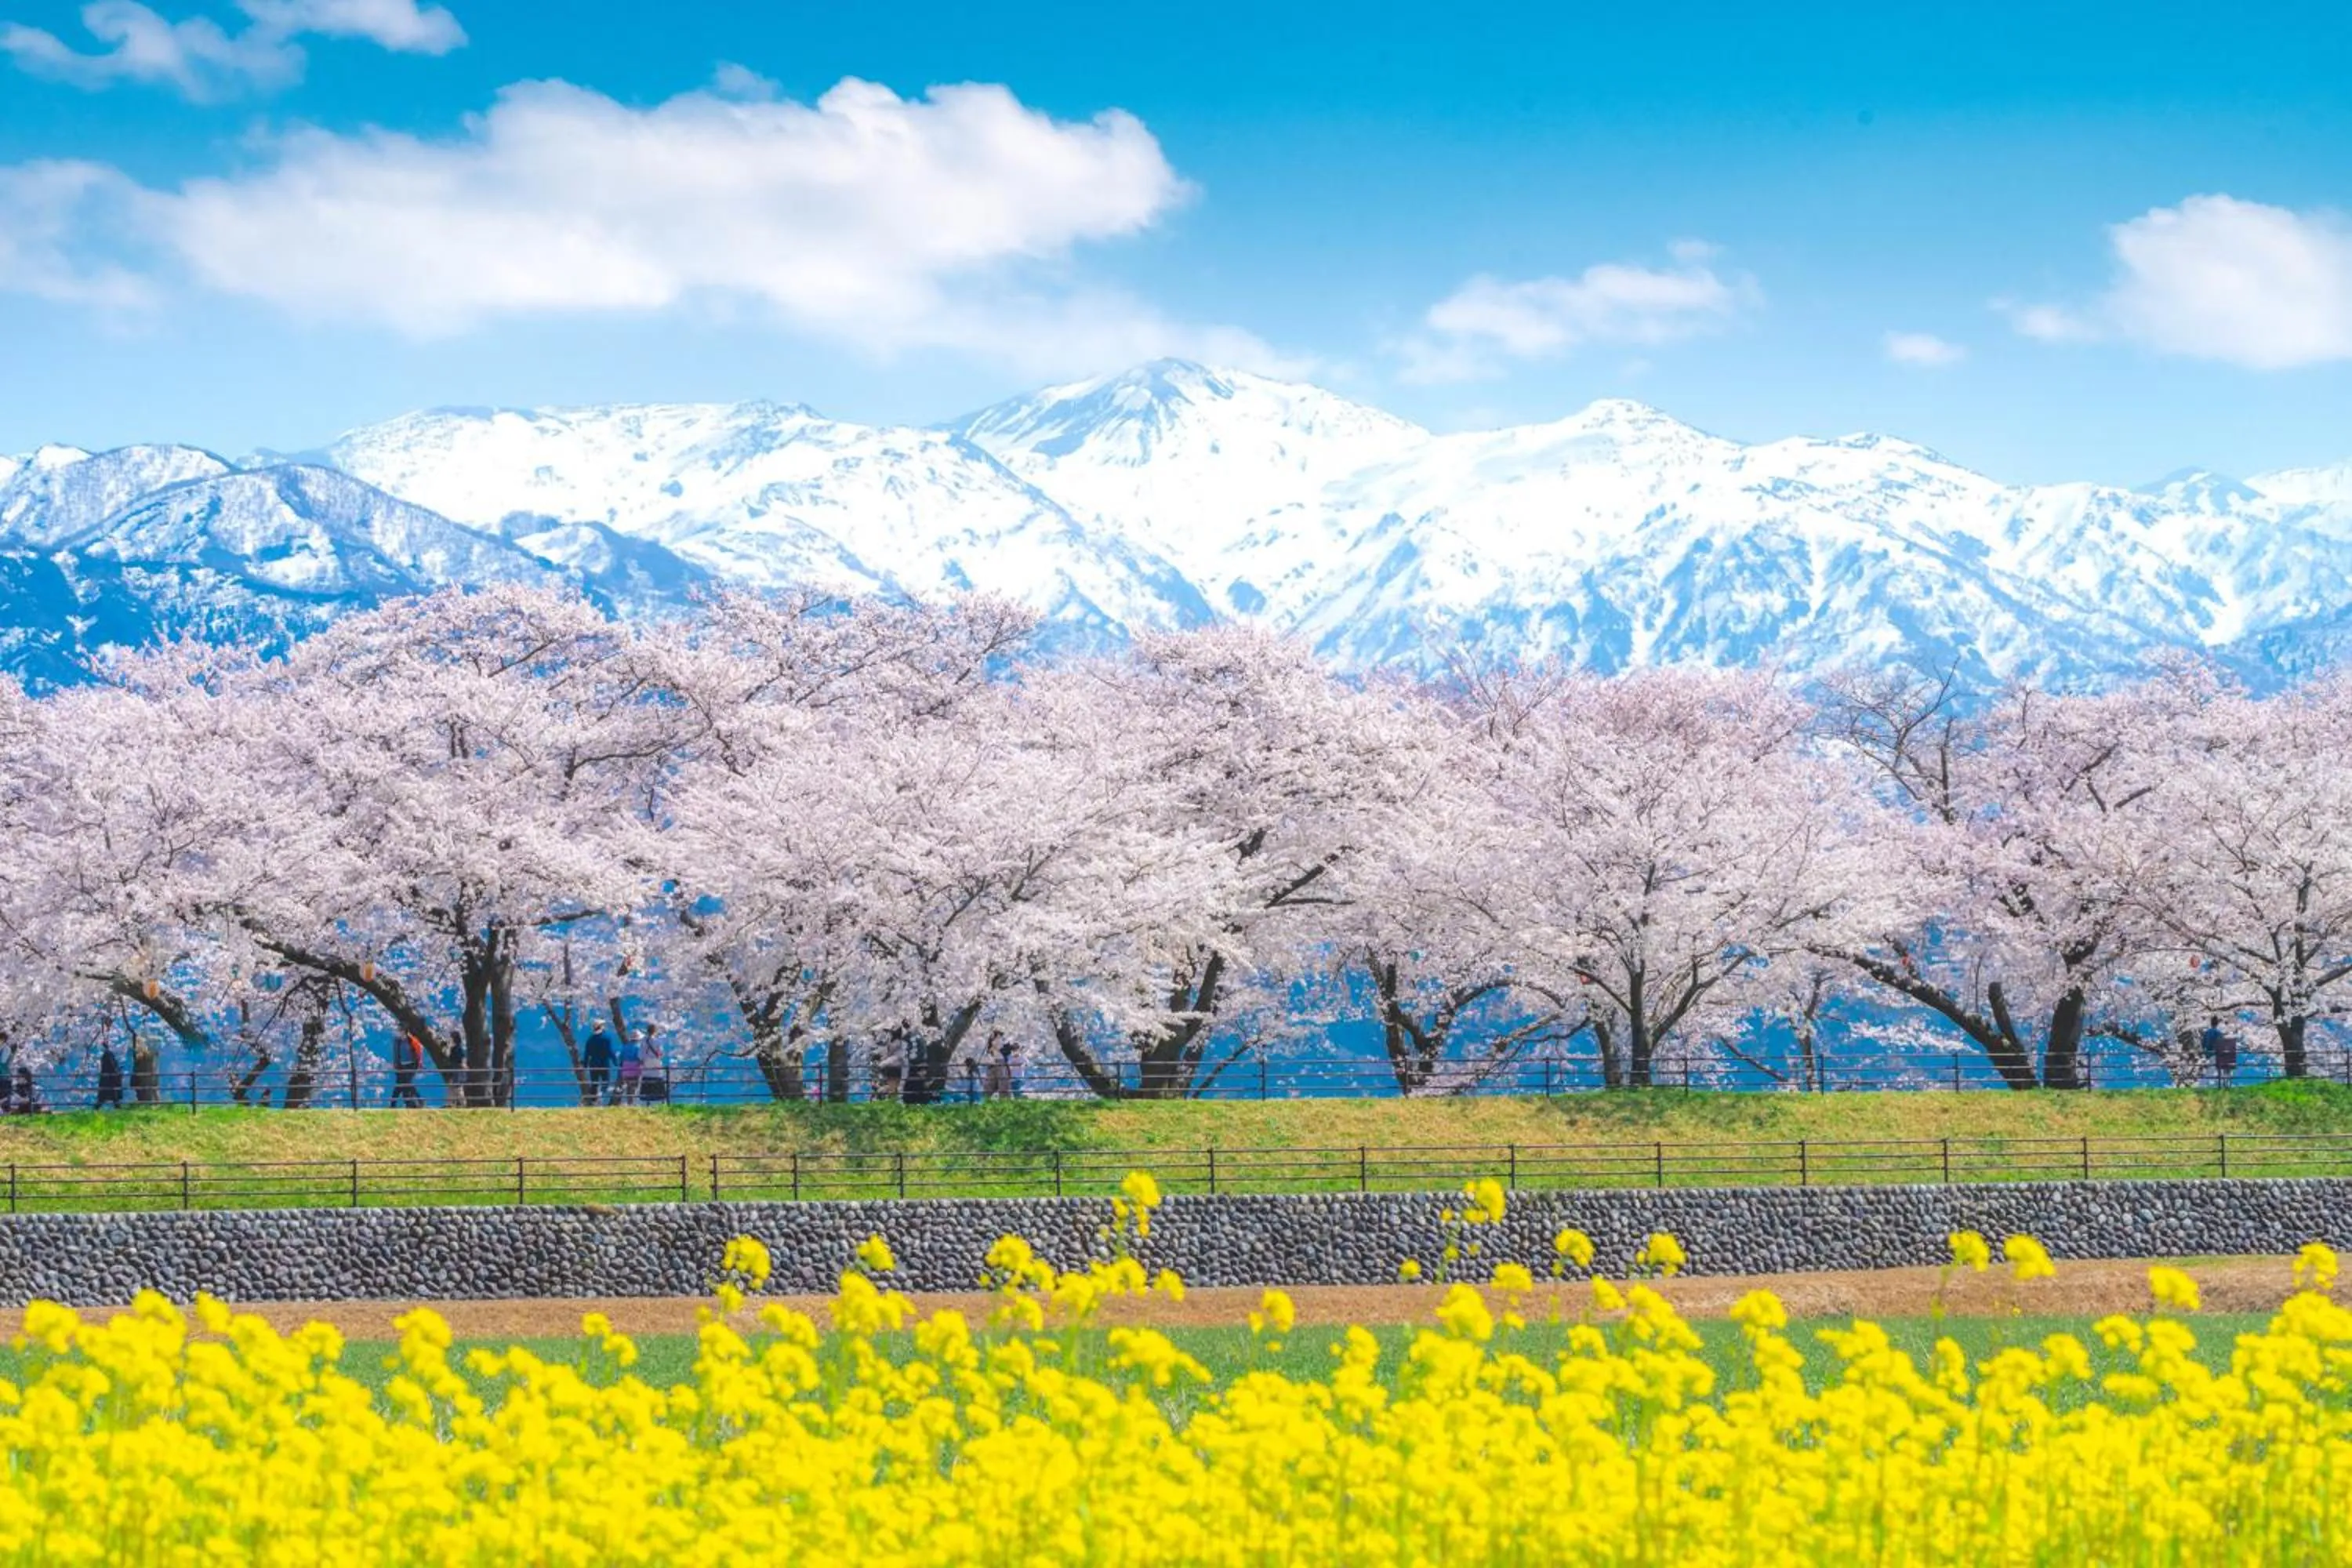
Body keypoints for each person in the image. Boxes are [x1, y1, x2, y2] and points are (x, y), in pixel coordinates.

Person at [582, 1022, 615, 1105]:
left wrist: (585, 1065)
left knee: (594, 1083)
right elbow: (610, 1051)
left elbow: (587, 1054)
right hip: (604, 1063)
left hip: (593, 1063)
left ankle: (593, 1101)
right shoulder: (607, 1038)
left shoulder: (590, 1039)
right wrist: (615, 1061)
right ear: (602, 1027)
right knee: (606, 1082)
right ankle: (602, 1096)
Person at [636, 1025, 669, 1105]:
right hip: (656, 1063)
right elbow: (661, 1053)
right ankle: (662, 1100)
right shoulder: (657, 1041)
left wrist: (642, 1060)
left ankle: (647, 1101)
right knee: (658, 1079)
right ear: (655, 1031)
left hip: (646, 1062)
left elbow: (640, 1054)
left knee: (647, 1079)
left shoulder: (643, 1041)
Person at [392, 1033, 425, 1109]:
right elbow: (396, 1054)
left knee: (405, 1084)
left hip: (410, 1065)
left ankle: (416, 1101)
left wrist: (419, 1062)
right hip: (401, 1066)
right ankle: (412, 1103)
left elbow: (419, 1048)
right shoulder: (398, 1040)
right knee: (402, 1084)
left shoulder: (410, 1039)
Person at [616, 1028, 644, 1105]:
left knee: (628, 1087)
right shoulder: (639, 1048)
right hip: (635, 1070)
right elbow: (640, 1059)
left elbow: (620, 1058)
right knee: (634, 1087)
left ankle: (629, 1102)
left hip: (625, 1070)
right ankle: (632, 1103)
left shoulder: (625, 1047)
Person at [95, 1044, 125, 1110]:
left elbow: (111, 1066)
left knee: (103, 1097)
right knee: (114, 1097)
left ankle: (96, 1109)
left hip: (107, 1079)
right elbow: (113, 1066)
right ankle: (119, 1109)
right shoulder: (109, 1054)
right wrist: (118, 1073)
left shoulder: (106, 1054)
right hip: (111, 1080)